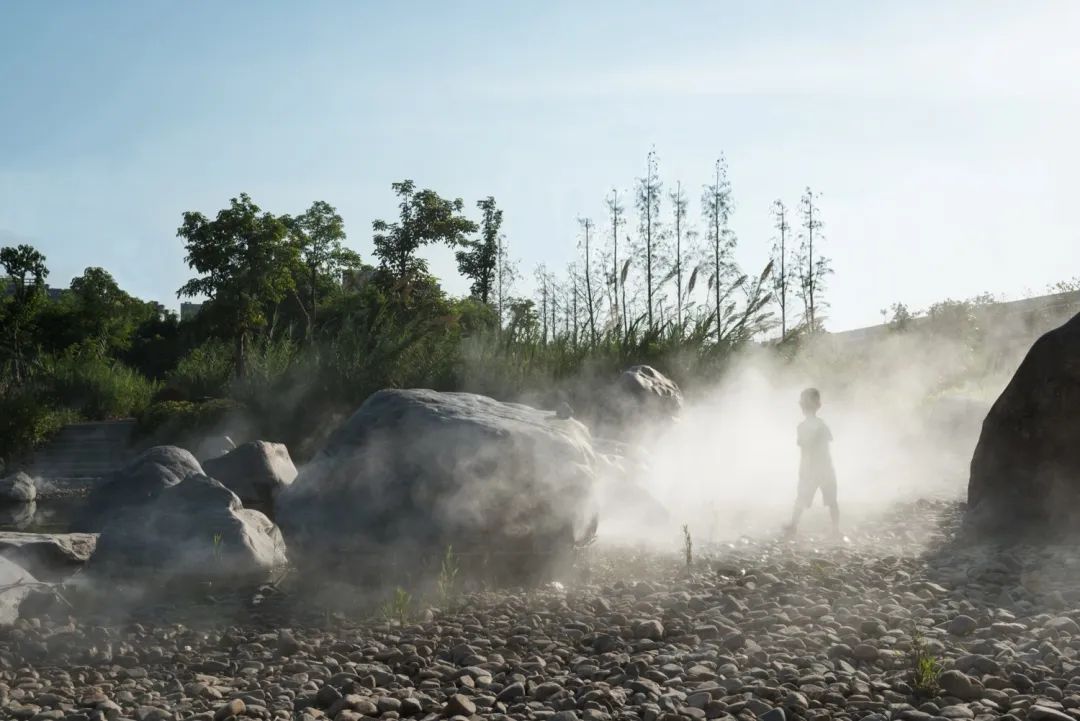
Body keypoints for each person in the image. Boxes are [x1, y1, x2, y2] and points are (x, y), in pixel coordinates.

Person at [785, 387, 839, 537]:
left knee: (809, 498)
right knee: (825, 500)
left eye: (804, 403)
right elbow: (824, 441)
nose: (803, 406)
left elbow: (806, 448)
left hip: (818, 467)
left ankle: (794, 525)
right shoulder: (815, 426)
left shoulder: (809, 426)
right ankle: (834, 529)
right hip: (820, 467)